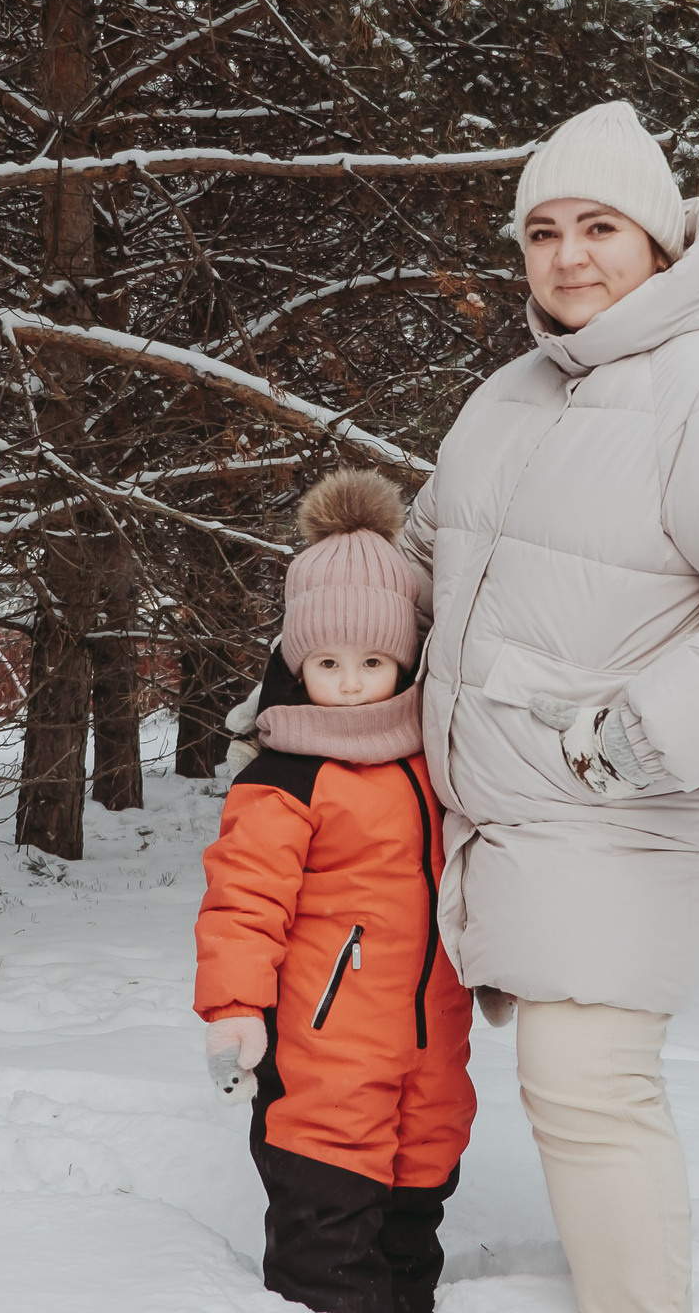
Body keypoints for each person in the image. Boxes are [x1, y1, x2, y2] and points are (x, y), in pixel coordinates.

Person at [399, 100, 699, 1313]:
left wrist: (626, 746)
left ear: (660, 240)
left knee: (585, 1078)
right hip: (505, 804)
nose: (569, 256)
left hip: (625, 804)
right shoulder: (513, 392)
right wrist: (325, 648)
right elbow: (428, 555)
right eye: (543, 231)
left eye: (599, 227)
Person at [196, 471, 476, 1313]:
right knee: (329, 1243)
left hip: (431, 1053)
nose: (351, 683)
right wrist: (235, 1009)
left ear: (405, 659)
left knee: (411, 1223)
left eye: (373, 662)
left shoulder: (435, 763)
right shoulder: (285, 777)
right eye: (328, 663)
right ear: (296, 664)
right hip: (326, 1050)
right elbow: (244, 901)